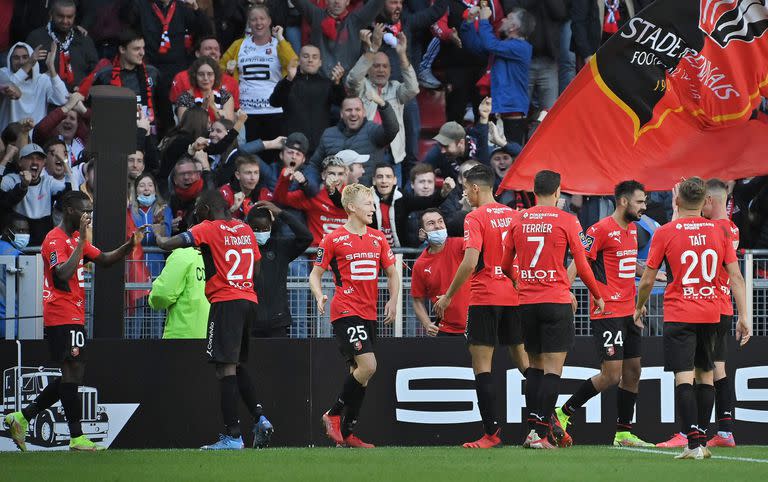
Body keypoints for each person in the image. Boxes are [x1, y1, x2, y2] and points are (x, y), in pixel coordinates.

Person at [4, 191, 142, 452]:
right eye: (83, 210)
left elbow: (104, 259)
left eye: (90, 210)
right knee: (72, 371)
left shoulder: (75, 238)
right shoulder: (54, 240)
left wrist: (128, 245)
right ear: (69, 210)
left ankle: (22, 417)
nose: (87, 215)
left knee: (73, 374)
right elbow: (61, 276)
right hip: (60, 313)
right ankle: (76, 437)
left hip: (74, 313)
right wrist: (80, 244)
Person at [634, 177, 750, 460]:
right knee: (707, 376)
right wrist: (744, 314)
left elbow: (648, 278)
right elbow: (735, 276)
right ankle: (700, 438)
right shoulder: (719, 231)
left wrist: (639, 306)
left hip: (680, 312)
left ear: (676, 201)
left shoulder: (666, 232)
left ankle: (693, 442)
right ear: (703, 202)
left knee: (684, 377)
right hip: (712, 312)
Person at [153, 189, 274, 450]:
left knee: (225, 369)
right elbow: (256, 266)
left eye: (198, 208)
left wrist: (157, 235)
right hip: (248, 300)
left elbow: (169, 244)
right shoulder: (244, 229)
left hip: (226, 302)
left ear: (207, 208)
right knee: (237, 364)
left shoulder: (207, 227)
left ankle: (233, 437)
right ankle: (260, 418)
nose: (195, 213)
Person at [502, 169, 605, 449]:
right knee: (552, 370)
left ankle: (532, 431)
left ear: (535, 191)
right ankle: (539, 432)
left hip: (526, 303)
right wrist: (597, 295)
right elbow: (582, 265)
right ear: (558, 191)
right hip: (556, 301)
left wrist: (519, 281)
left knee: (534, 367)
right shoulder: (567, 220)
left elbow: (503, 265)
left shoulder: (518, 219)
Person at [433, 164, 529, 449]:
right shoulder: (514, 215)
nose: (465, 194)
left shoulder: (475, 217)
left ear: (476, 188)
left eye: (465, 189)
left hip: (485, 297)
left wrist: (448, 296)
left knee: (482, 367)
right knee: (525, 363)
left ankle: (491, 433)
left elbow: (470, 261)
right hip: (514, 297)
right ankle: (547, 422)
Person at [553, 180, 653, 447]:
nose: (644, 206)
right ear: (623, 201)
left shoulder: (633, 229)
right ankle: (563, 413)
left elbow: (624, 263)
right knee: (611, 375)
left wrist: (648, 274)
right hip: (607, 310)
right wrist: (565, 289)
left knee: (633, 372)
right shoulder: (600, 229)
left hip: (630, 311)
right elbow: (580, 259)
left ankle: (623, 433)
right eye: (640, 201)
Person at [310, 183, 400, 448]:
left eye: (372, 203)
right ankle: (333, 414)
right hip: (346, 311)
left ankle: (347, 436)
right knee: (369, 366)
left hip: (369, 312)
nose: (373, 208)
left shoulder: (378, 238)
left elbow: (393, 273)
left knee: (360, 373)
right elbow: (315, 274)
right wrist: (319, 295)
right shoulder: (333, 239)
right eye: (368, 204)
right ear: (351, 207)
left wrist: (394, 300)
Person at [346, 26, 419, 178]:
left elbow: (413, 89)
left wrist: (402, 54)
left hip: (392, 156)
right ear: (368, 69)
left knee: (393, 200)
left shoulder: (396, 88)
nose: (381, 70)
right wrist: (372, 50)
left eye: (385, 66)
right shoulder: (362, 86)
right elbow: (352, 79)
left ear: (390, 71)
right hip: (365, 155)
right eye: (376, 66)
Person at [703, 179, 742, 448]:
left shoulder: (712, 229)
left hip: (707, 305)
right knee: (718, 369)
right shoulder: (731, 227)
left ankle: (692, 431)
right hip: (724, 305)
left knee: (700, 370)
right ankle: (725, 431)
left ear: (710, 200)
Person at [220, 6, 296, 143]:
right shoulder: (239, 45)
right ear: (249, 23)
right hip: (245, 113)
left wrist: (280, 38)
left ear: (269, 21)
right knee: (248, 157)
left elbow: (293, 64)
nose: (258, 23)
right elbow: (220, 70)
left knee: (272, 157)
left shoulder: (279, 44)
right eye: (253, 19)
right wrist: (228, 72)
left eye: (262, 18)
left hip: (274, 111)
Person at [461, 6, 534, 144]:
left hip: (512, 110)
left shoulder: (521, 47)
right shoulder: (503, 46)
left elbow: (489, 44)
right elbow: (476, 46)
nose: (504, 19)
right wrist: (469, 22)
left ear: (514, 26)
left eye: (509, 18)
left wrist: (483, 20)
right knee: (497, 154)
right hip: (499, 107)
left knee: (511, 155)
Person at [247, 200, 313, 337]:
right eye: (256, 229)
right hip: (250, 322)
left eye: (265, 229)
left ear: (271, 226)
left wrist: (282, 214)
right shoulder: (242, 249)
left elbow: (306, 237)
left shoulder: (280, 246)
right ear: (248, 227)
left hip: (277, 322)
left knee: (278, 358)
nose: (260, 233)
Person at [307, 94, 399, 192]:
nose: (353, 113)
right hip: (334, 197)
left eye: (357, 109)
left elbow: (392, 129)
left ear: (364, 112)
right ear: (341, 114)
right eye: (348, 110)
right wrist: (313, 187)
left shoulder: (373, 131)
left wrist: (383, 105)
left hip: (365, 197)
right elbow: (314, 165)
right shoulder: (329, 134)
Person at [269, 44, 346, 154]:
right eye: (306, 56)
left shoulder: (327, 83)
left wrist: (338, 83)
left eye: (315, 57)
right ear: (299, 61)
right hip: (293, 147)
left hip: (320, 146)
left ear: (320, 62)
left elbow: (342, 103)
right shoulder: (289, 81)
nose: (310, 60)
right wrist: (289, 79)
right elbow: (274, 102)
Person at [411, 209, 469, 336]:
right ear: (422, 232)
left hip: (476, 325)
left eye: (440, 221)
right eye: (431, 223)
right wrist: (427, 324)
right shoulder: (420, 264)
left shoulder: (461, 245)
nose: (437, 226)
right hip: (445, 330)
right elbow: (417, 300)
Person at [0, 143, 73, 245]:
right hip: (17, 243)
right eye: (30, 158)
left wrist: (63, 161)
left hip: (42, 242)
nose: (35, 162)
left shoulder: (48, 182)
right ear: (20, 162)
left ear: (44, 163)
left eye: (39, 159)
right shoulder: (12, 179)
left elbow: (70, 194)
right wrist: (22, 186)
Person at [293, 0, 385, 78]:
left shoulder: (356, 21)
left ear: (348, 1)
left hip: (348, 85)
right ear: (326, 1)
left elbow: (377, 3)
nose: (337, 2)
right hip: (319, 83)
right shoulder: (316, 16)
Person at [370, 163, 454, 248]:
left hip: (401, 255)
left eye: (388, 176)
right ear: (374, 180)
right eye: (380, 177)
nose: (384, 180)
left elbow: (428, 202)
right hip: (374, 252)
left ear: (395, 180)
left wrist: (443, 193)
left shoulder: (403, 197)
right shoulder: (366, 198)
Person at [91, 30, 161, 132]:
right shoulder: (105, 76)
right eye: (137, 49)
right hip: (117, 136)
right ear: (122, 49)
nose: (142, 53)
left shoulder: (153, 73)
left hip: (149, 136)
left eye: (143, 48)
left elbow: (164, 110)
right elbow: (95, 112)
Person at [274, 155, 349, 246]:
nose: (336, 179)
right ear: (323, 175)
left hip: (347, 255)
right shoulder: (314, 196)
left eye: (340, 174)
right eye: (331, 173)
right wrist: (284, 178)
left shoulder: (354, 196)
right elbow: (281, 198)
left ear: (346, 176)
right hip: (319, 255)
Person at [25, 0, 99, 90]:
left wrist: (84, 87)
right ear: (51, 14)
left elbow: (95, 70)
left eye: (69, 17)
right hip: (44, 95)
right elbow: (25, 71)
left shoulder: (83, 39)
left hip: (77, 96)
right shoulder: (36, 37)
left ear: (75, 16)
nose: (65, 21)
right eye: (60, 16)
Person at [148, 240, 210, 339]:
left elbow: (162, 295)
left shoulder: (183, 255)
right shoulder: (222, 255)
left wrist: (152, 299)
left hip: (183, 337)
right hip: (216, 337)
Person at [0, 42, 69, 126]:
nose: (21, 62)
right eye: (16, 58)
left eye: (25, 57)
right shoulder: (3, 73)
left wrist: (51, 67)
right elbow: (9, 86)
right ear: (10, 61)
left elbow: (62, 99)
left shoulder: (42, 80)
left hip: (34, 137)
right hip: (8, 136)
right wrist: (29, 63)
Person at [170, 36, 240, 110]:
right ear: (197, 53)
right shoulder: (181, 78)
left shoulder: (231, 81)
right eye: (208, 49)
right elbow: (175, 110)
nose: (213, 52)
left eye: (216, 49)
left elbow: (234, 113)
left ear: (220, 54)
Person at [130, 173, 173, 277]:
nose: (146, 189)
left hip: (157, 266)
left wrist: (159, 225)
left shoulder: (165, 210)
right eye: (142, 185)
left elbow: (167, 236)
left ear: (155, 189)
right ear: (136, 191)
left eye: (150, 185)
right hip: (134, 266)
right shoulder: (129, 211)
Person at [175, 56, 234, 122]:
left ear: (215, 76)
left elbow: (228, 124)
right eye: (201, 74)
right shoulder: (185, 97)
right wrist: (203, 108)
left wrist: (212, 105)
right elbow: (185, 126)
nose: (205, 78)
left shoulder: (225, 96)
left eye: (210, 74)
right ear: (195, 76)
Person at [0, 213, 29, 338]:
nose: (24, 234)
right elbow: (25, 292)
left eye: (26, 231)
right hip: (10, 323)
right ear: (7, 231)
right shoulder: (17, 256)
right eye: (20, 230)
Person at [219, 155, 274, 220]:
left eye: (256, 173)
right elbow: (216, 221)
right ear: (238, 175)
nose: (253, 178)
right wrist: (233, 209)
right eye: (248, 173)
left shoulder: (263, 193)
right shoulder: (225, 192)